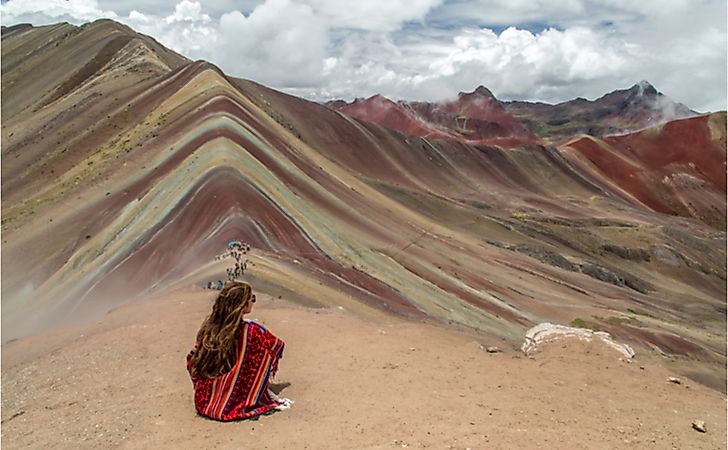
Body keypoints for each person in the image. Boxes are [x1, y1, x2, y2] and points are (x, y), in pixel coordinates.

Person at [186, 282, 291, 421]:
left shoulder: (208, 328)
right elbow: (275, 345)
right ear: (242, 305)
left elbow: (193, 358)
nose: (253, 302)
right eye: (251, 299)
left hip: (204, 401)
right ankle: (243, 391)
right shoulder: (250, 331)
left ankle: (221, 389)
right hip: (230, 405)